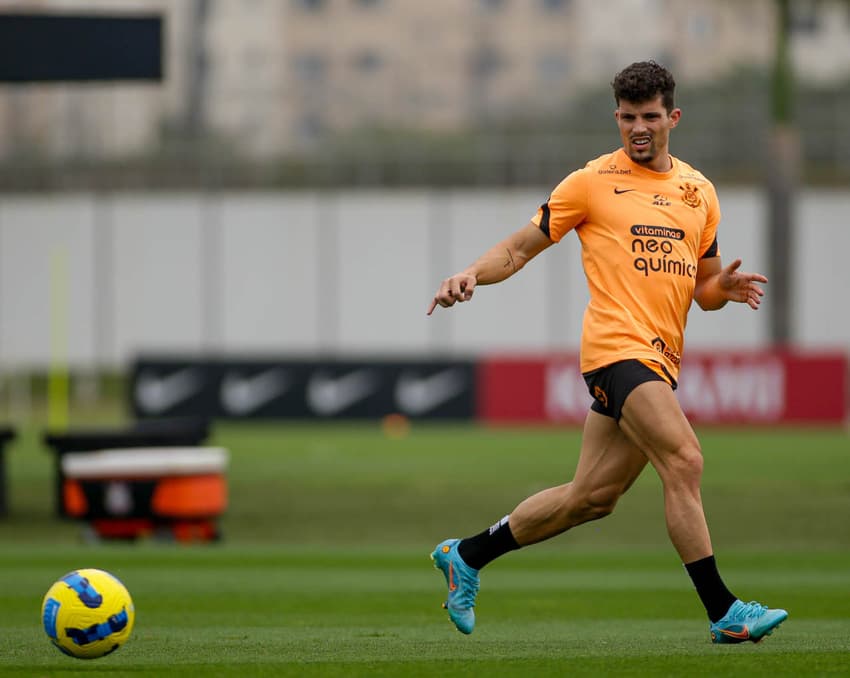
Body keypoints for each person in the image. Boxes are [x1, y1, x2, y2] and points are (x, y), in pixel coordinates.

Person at [425, 60, 787, 644]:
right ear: (616, 118)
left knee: (590, 499)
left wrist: (725, 288)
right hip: (615, 351)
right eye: (626, 118)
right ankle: (724, 612)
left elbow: (705, 288)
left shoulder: (699, 192)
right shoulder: (591, 181)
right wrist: (470, 273)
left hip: (659, 360)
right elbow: (519, 249)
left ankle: (466, 555)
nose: (637, 128)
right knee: (685, 460)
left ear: (673, 117)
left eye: (649, 117)